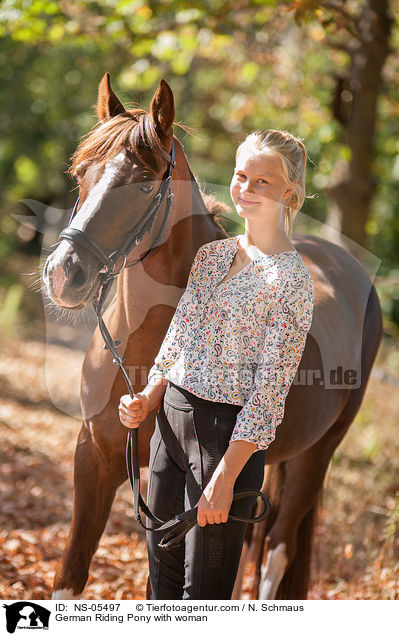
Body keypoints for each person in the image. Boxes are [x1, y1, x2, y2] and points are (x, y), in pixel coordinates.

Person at [118, 129, 314, 600]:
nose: (245, 189)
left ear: (290, 190)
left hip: (226, 441)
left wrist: (225, 478)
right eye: (241, 175)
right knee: (159, 578)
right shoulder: (212, 256)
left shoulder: (291, 281)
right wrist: (149, 396)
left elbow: (269, 394)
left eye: (262, 181)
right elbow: (180, 336)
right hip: (170, 424)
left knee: (201, 594)